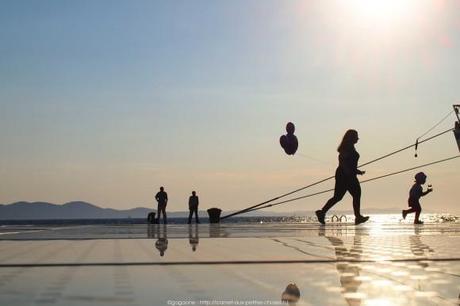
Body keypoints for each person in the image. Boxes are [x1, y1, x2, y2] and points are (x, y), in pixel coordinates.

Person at [315, 129, 369, 225]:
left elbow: (350, 164)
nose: (358, 138)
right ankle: (357, 217)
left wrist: (357, 171)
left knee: (344, 196)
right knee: (346, 195)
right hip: (344, 175)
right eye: (356, 136)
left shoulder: (350, 147)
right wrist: (347, 171)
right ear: (351, 138)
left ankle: (322, 212)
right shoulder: (347, 147)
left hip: (348, 174)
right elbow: (342, 159)